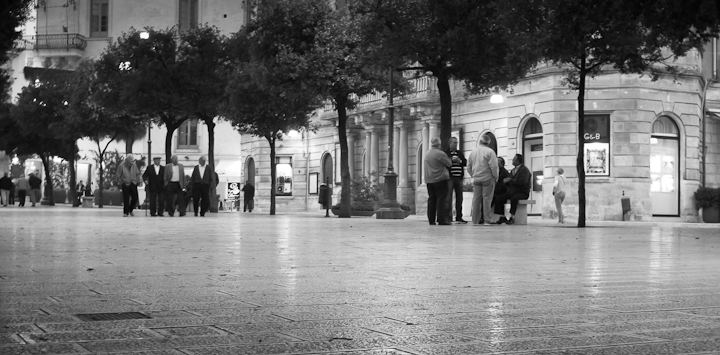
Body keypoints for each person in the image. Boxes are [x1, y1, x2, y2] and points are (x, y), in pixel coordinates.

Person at [466, 134, 499, 226]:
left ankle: (475, 220)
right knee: (487, 199)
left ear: (480, 141)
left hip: (477, 179)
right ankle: (487, 220)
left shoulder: (473, 152)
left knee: (476, 199)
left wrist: (473, 175)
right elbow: (494, 166)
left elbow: (468, 167)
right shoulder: (490, 152)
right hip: (488, 178)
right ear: (488, 143)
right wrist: (495, 176)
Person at [494, 154, 532, 225]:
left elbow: (523, 182)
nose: (512, 160)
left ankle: (512, 216)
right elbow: (509, 181)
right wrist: (506, 181)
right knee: (499, 198)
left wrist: (510, 180)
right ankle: (502, 216)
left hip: (522, 192)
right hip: (513, 191)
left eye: (514, 159)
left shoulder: (524, 170)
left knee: (514, 199)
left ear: (518, 161)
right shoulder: (513, 170)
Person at [424, 137, 452, 225]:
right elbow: (449, 164)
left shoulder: (427, 153)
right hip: (440, 179)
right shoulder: (440, 154)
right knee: (441, 199)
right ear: (439, 144)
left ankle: (431, 219)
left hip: (429, 180)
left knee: (432, 199)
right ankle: (441, 219)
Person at [445, 137, 468, 223]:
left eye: (456, 142)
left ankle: (459, 216)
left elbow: (465, 163)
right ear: (450, 143)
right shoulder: (446, 153)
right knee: (448, 197)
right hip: (450, 178)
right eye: (454, 142)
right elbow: (444, 163)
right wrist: (450, 160)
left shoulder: (459, 153)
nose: (456, 144)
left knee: (459, 198)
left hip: (459, 178)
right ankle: (448, 216)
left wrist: (460, 161)